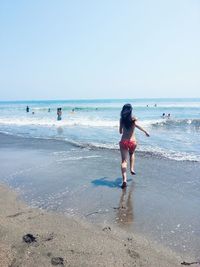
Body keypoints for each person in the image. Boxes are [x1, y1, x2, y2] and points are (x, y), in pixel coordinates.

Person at [119, 104, 150, 189]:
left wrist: (123, 128)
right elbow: (138, 126)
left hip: (124, 141)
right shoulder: (133, 119)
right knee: (132, 154)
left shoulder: (122, 119)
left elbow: (120, 132)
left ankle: (124, 180)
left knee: (124, 161)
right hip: (133, 141)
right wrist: (145, 132)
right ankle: (132, 169)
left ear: (123, 110)